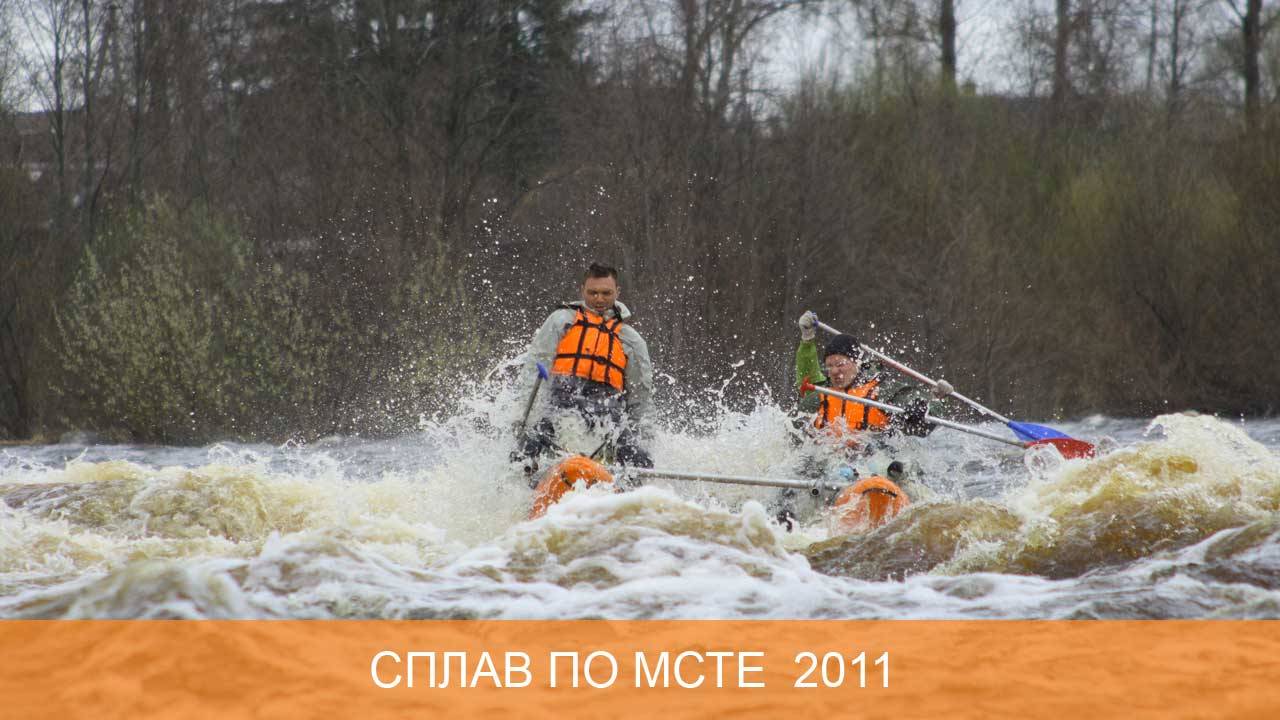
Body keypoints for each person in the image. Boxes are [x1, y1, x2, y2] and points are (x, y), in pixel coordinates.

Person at [773, 311, 939, 529]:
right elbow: (806, 379)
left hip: (877, 458)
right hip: (834, 464)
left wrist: (923, 407)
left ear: (856, 362)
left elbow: (917, 403)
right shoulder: (821, 395)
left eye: (840, 364)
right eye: (830, 365)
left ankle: (906, 501)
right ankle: (786, 515)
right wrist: (807, 340)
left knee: (899, 465)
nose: (835, 371)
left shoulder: (881, 391)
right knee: (805, 465)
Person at [512, 263, 655, 483]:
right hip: (561, 407)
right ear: (582, 290)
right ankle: (525, 489)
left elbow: (640, 393)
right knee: (526, 449)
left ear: (617, 292)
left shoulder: (632, 340)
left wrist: (638, 434)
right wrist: (524, 418)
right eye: (593, 292)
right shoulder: (561, 321)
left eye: (606, 293)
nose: (599, 299)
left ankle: (630, 494)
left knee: (639, 458)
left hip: (608, 416)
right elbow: (534, 369)